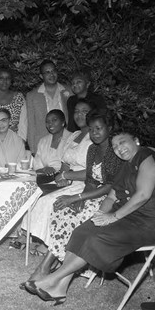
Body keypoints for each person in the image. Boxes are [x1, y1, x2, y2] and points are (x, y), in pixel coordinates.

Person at [23, 131, 155, 305]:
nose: (119, 149)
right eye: (115, 146)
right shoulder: (126, 165)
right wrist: (100, 215)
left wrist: (113, 217)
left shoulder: (145, 156)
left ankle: (52, 279)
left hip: (146, 221)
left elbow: (143, 195)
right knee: (82, 230)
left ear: (136, 141)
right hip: (125, 214)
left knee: (96, 239)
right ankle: (60, 288)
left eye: (122, 142)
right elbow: (111, 196)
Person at [22, 110, 122, 284]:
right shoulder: (92, 149)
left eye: (99, 129)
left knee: (73, 218)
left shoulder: (114, 152)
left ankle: (44, 270)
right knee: (61, 211)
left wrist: (78, 198)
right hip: (92, 193)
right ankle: (52, 267)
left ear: (110, 128)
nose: (94, 133)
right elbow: (91, 179)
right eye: (91, 130)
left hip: (111, 199)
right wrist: (79, 198)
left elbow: (110, 186)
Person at [26, 100, 94, 255]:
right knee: (38, 196)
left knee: (50, 201)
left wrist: (65, 175)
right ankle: (37, 236)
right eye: (76, 111)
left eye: (84, 111)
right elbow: (65, 162)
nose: (79, 115)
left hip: (84, 182)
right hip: (68, 179)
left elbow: (93, 172)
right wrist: (62, 177)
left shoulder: (94, 136)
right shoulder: (76, 135)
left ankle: (49, 244)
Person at [25, 60, 71, 154]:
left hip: (66, 143)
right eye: (47, 72)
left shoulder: (69, 91)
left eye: (53, 71)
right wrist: (33, 150)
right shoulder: (32, 96)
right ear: (41, 76)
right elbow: (31, 125)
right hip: (43, 145)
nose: (52, 74)